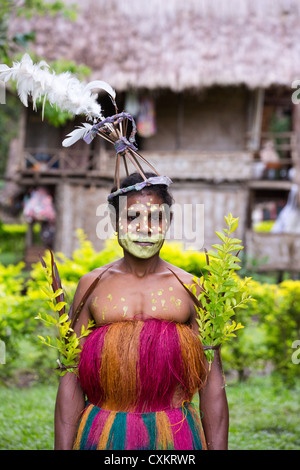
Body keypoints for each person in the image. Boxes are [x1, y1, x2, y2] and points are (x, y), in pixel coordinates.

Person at [54, 172, 229, 450]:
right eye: (132, 217)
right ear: (114, 222)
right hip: (103, 434)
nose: (144, 228)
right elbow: (71, 377)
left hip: (175, 435)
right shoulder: (92, 286)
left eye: (156, 218)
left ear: (168, 222)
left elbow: (211, 382)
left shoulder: (191, 290)